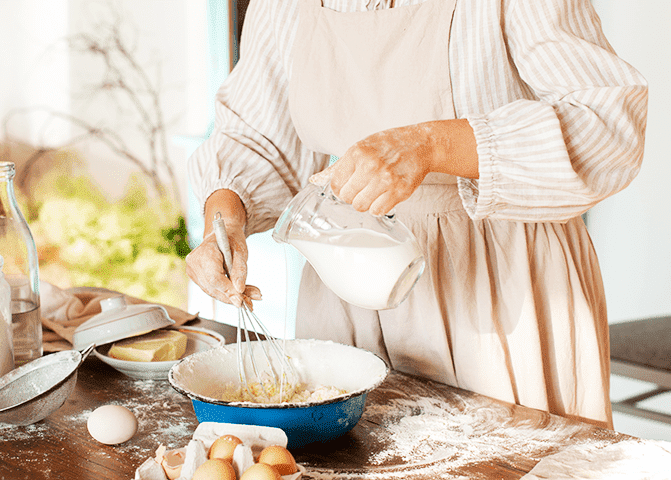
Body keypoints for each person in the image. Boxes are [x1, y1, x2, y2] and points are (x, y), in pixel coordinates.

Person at [185, 0, 648, 429]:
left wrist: (431, 145)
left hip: (499, 284)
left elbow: (609, 126)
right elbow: (255, 139)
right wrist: (223, 224)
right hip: (347, 286)